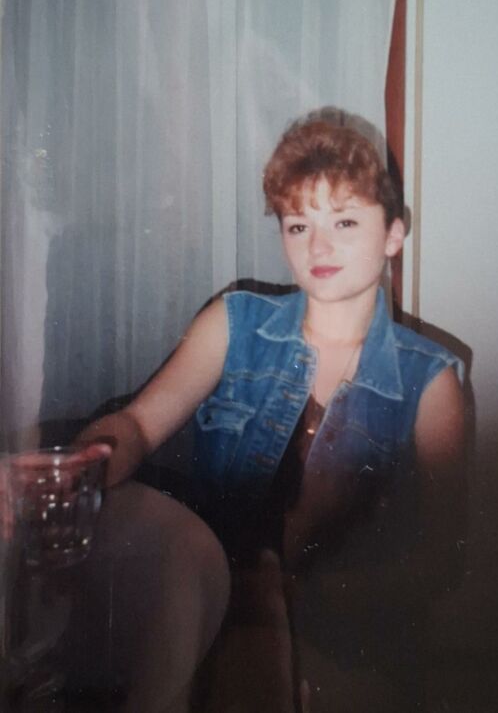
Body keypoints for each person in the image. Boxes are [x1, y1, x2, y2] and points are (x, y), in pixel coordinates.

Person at [78, 114, 466, 711]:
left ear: (393, 234)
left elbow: (438, 561)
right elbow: (136, 426)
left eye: (344, 221)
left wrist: (302, 594)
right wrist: (76, 468)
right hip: (212, 614)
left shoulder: (430, 380)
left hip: (344, 639)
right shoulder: (234, 324)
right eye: (298, 225)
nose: (318, 246)